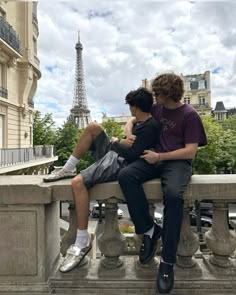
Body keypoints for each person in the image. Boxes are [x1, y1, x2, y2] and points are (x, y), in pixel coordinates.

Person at [43, 87, 161, 272]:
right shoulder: (141, 120)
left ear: (136, 107)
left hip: (119, 162)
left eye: (130, 106)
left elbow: (131, 155)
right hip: (116, 153)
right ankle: (68, 168)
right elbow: (130, 123)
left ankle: (81, 242)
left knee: (78, 183)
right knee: (93, 127)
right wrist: (127, 134)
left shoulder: (151, 127)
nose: (130, 110)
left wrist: (115, 142)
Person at [118, 73, 207, 294]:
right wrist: (129, 134)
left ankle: (167, 263)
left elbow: (191, 151)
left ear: (168, 94)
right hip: (154, 157)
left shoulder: (190, 115)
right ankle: (148, 230)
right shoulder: (158, 108)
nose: (154, 97)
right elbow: (132, 119)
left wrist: (160, 157)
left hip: (176, 162)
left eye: (157, 94)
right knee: (126, 175)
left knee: (174, 197)